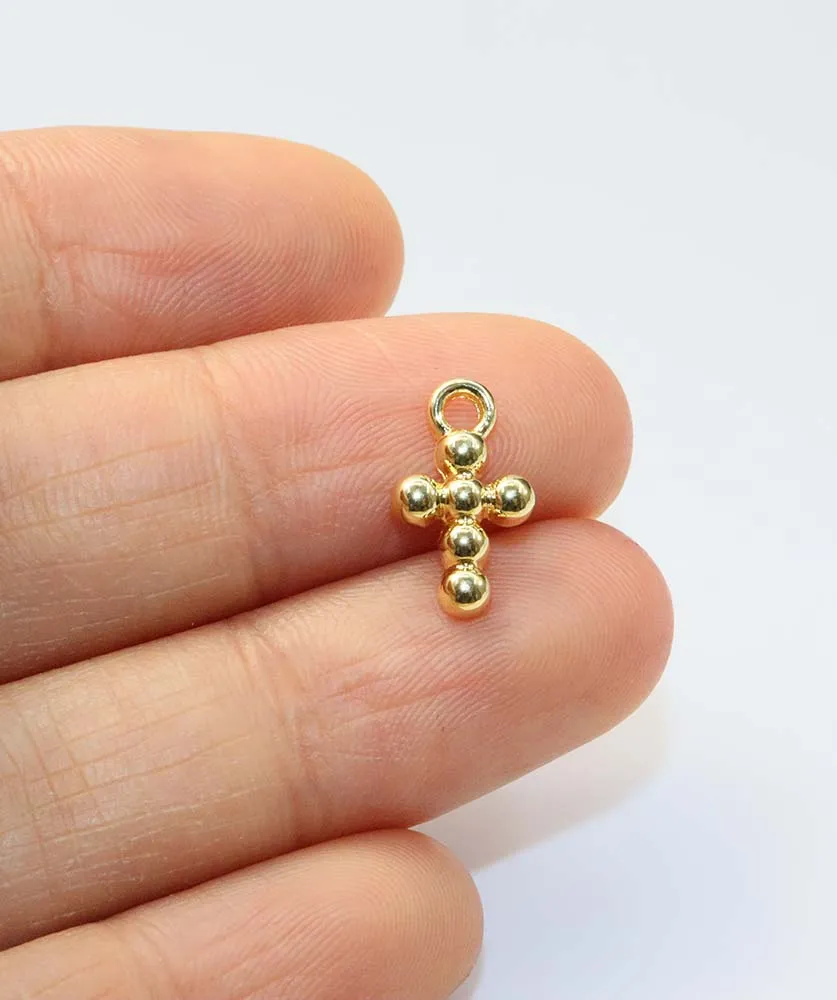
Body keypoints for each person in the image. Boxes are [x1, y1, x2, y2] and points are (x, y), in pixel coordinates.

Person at [0, 127, 673, 999]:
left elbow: (468, 500)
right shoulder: (453, 492)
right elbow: (437, 500)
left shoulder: (465, 491)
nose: (465, 491)